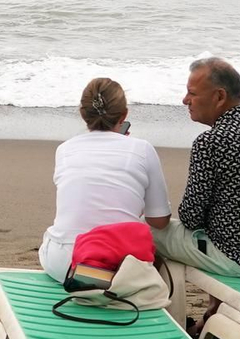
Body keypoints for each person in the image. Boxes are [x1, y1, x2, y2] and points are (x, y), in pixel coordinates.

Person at [152, 57, 240, 277]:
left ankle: (163, 301)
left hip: (239, 261)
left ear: (219, 96)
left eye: (192, 93)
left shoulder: (211, 141)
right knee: (217, 227)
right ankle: (213, 305)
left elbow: (190, 217)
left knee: (144, 230)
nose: (185, 100)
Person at [38, 77, 171, 283]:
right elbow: (160, 220)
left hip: (64, 263)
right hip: (118, 265)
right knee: (152, 239)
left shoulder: (65, 150)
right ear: (124, 115)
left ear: (83, 114)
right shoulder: (142, 149)